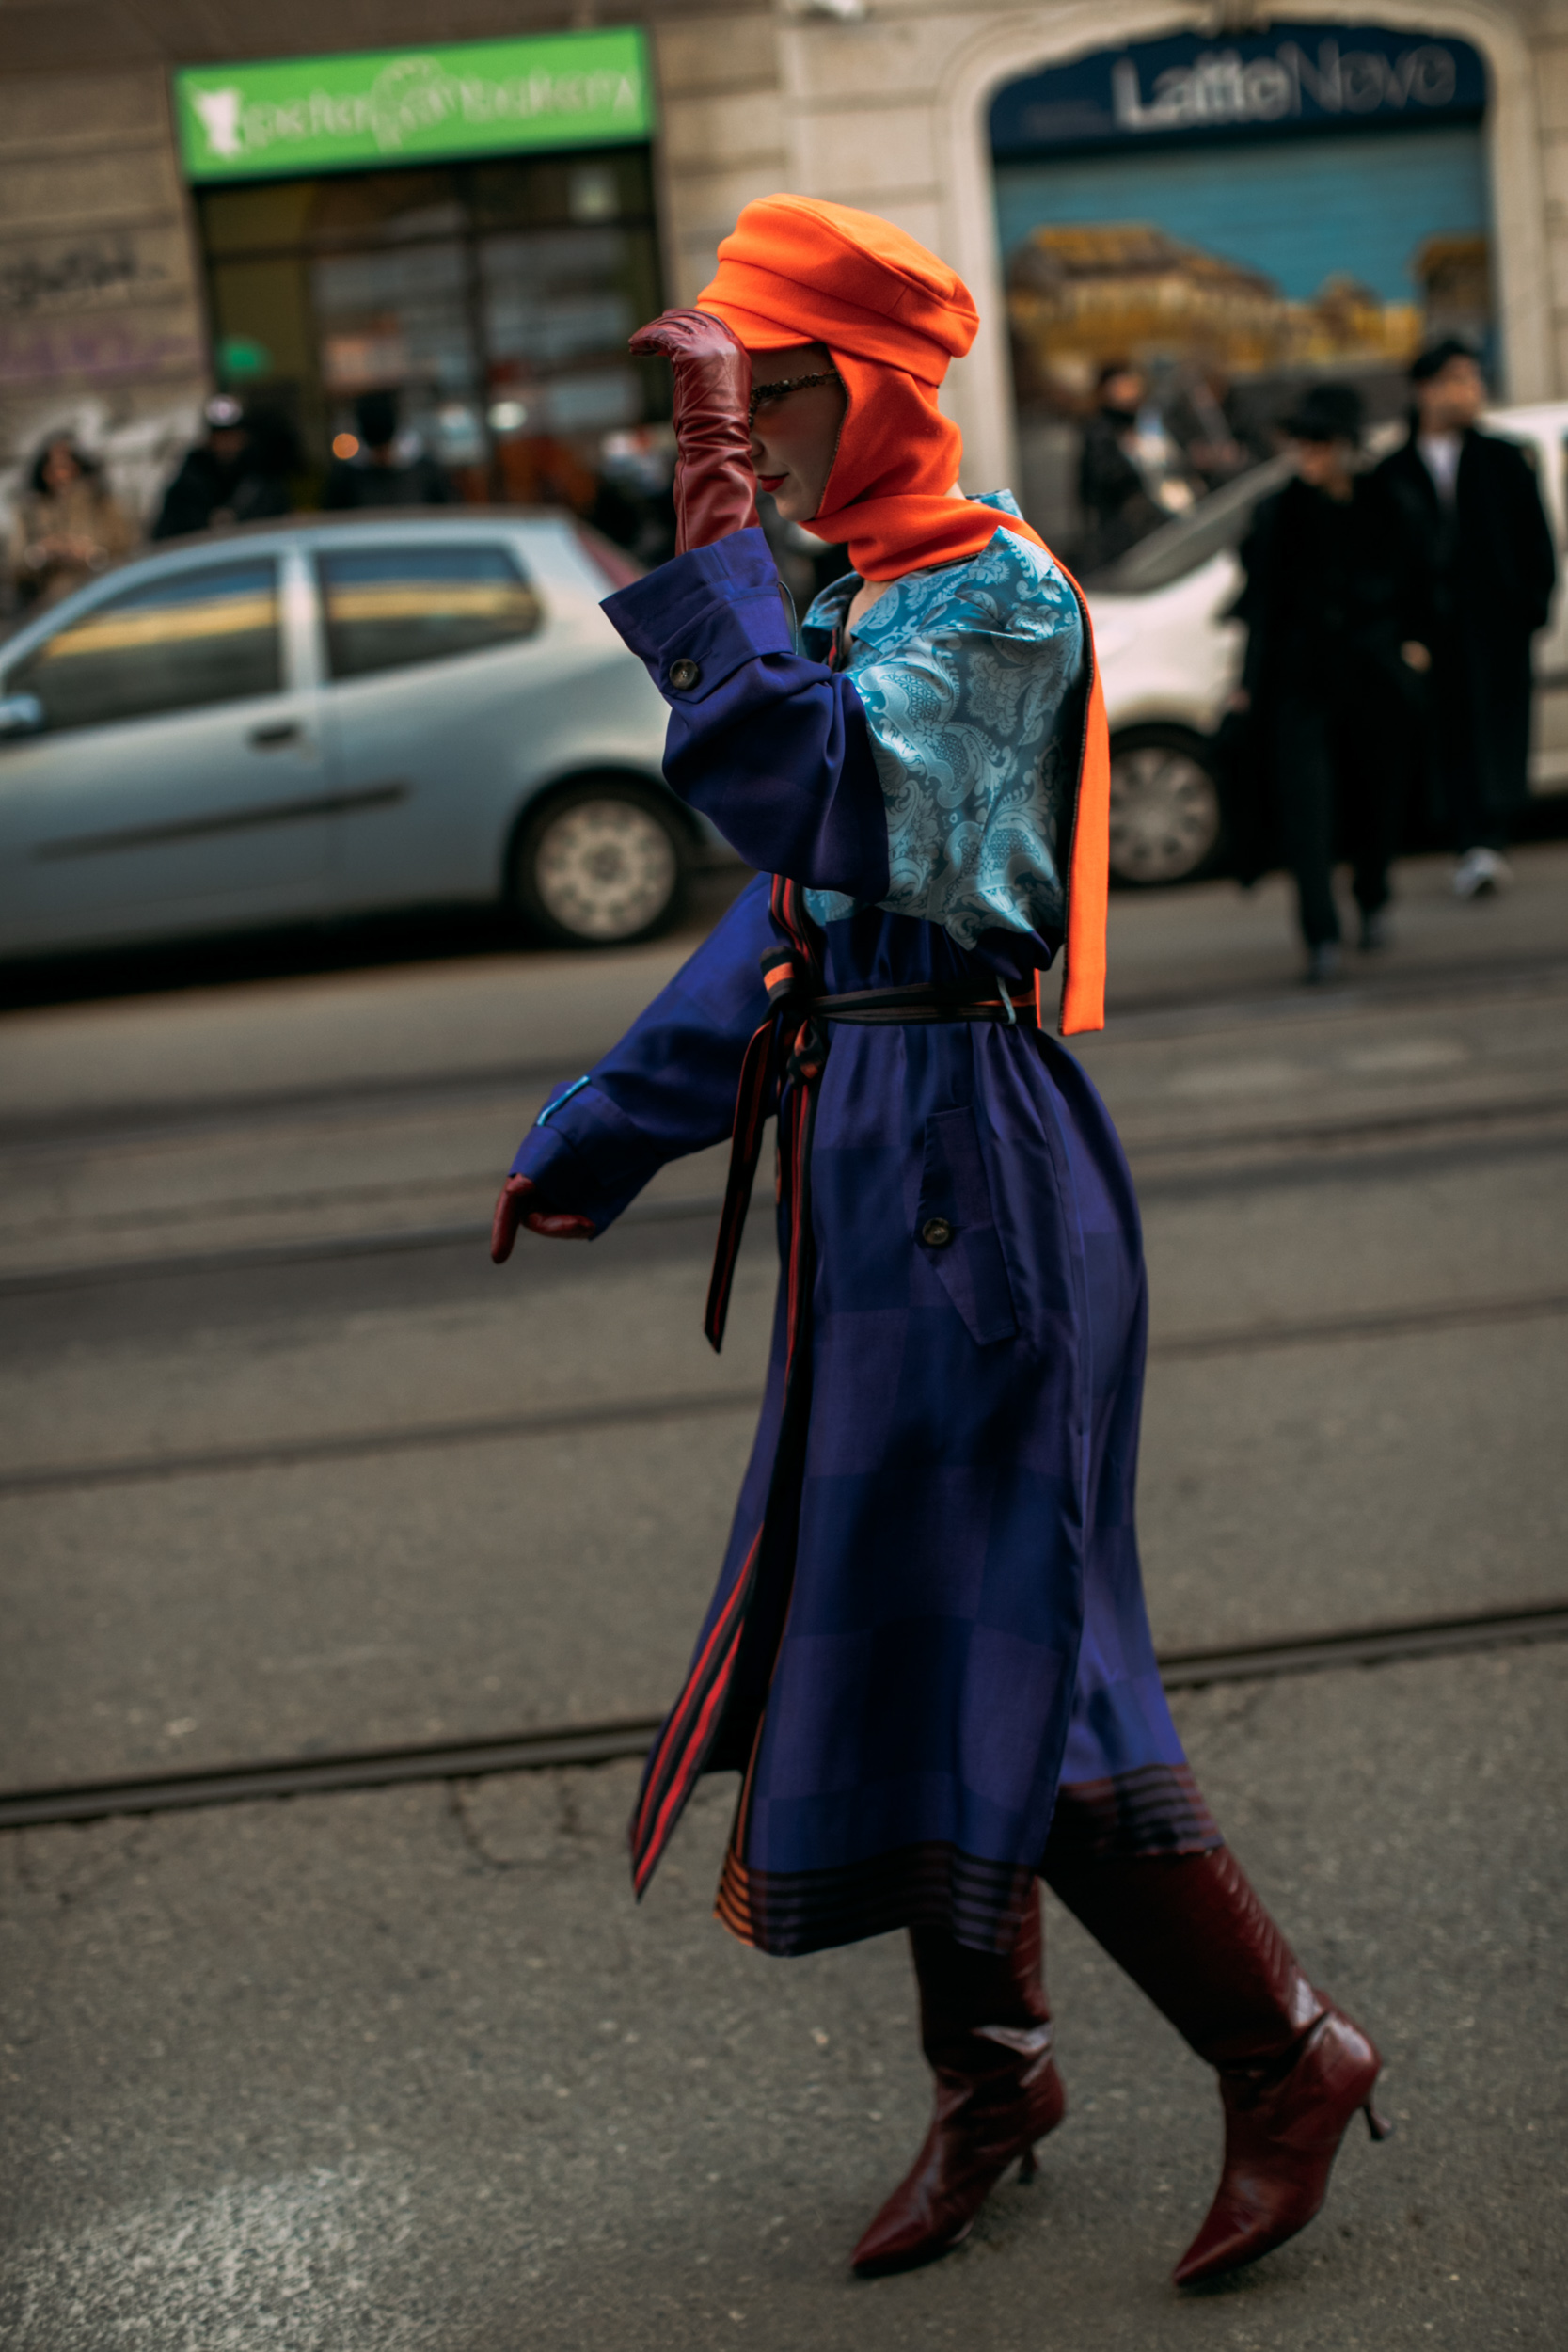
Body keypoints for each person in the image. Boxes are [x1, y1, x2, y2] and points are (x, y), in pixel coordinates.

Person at [490, 196, 1388, 2286]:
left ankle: (1282, 2052)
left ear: (854, 390)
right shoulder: (871, 594)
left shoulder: (984, 601)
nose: (754, 447)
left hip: (973, 1166)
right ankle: (995, 2074)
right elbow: (787, 932)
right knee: (894, 1630)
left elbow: (799, 807)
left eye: (760, 399)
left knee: (1024, 1649)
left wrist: (706, 513)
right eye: (730, 412)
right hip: (872, 1145)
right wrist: (601, 1134)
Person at [1234, 383, 1431, 982]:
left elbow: (1420, 581)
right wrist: (1248, 683)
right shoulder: (1278, 513)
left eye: (1320, 445)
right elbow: (1261, 606)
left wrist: (1413, 646)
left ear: (1346, 448)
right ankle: (1320, 934)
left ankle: (1372, 897)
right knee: (1306, 813)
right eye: (1302, 445)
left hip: (1374, 677)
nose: (1308, 458)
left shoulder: (1387, 503)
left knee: (1377, 798)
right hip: (1302, 681)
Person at [1375, 339, 1557, 898]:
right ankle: (1466, 841)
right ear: (1426, 389)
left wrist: (1531, 607)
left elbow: (1536, 541)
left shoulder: (1504, 457)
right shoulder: (1394, 470)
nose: (1472, 390)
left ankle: (1490, 840)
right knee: (1447, 734)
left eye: (1475, 379)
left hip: (1495, 626)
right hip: (1433, 634)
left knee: (1498, 729)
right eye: (1459, 379)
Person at [1076, 360, 1189, 569]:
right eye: (1119, 386)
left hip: (1163, 516)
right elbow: (1099, 479)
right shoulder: (1101, 430)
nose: (1128, 391)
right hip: (1124, 526)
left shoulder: (1151, 421)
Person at [8, 432, 134, 609]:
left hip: (100, 601)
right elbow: (17, 566)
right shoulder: (29, 513)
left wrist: (90, 555)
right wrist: (43, 552)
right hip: (47, 609)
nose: (61, 475)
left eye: (67, 466)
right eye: (53, 468)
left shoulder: (102, 505)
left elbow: (127, 553)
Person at [152, 395, 295, 538]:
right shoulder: (187, 486)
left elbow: (279, 527)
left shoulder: (263, 480)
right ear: (209, 441)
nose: (226, 444)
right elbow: (166, 535)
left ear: (244, 438)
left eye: (232, 436)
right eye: (220, 437)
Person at [322, 390, 454, 509]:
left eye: (384, 449)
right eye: (377, 450)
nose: (381, 457)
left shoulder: (425, 470)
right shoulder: (347, 477)